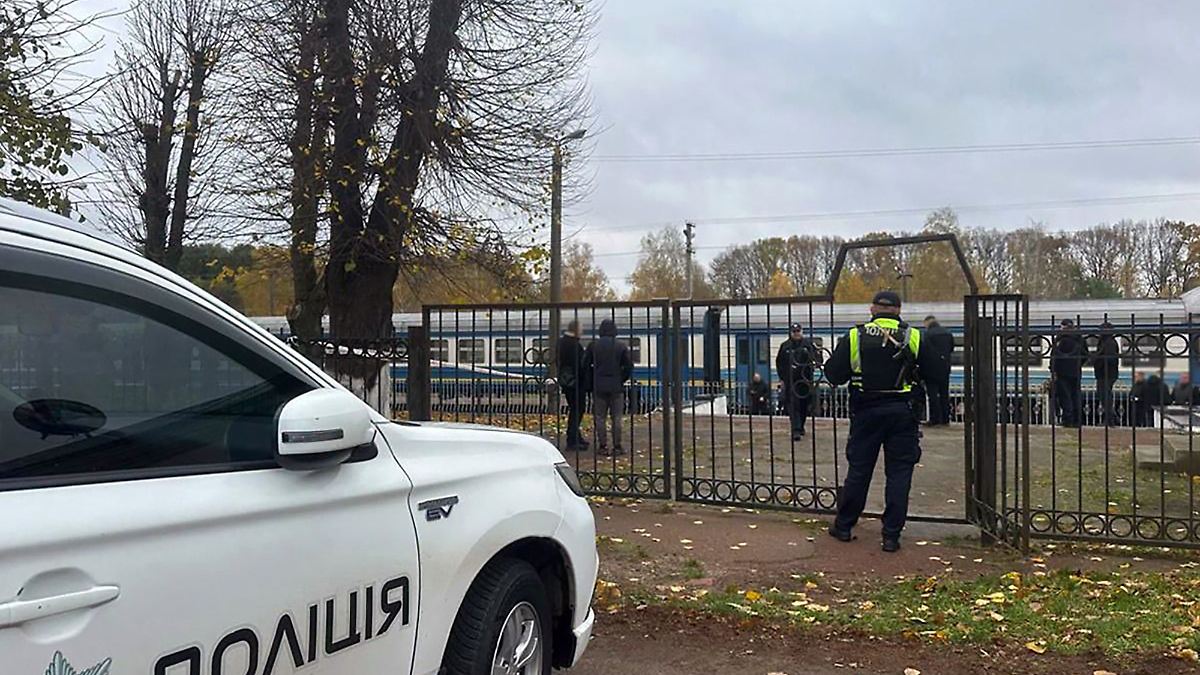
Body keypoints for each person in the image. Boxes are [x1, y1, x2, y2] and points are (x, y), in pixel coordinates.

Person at [823, 290, 942, 552]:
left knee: (859, 470)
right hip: (903, 412)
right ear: (899, 311)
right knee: (899, 473)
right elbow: (938, 371)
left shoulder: (855, 336)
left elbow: (833, 374)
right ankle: (891, 536)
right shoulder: (913, 336)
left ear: (872, 309)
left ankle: (844, 526)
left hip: (866, 411)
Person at [583, 318, 633, 455]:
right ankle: (617, 446)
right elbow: (628, 366)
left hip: (598, 386)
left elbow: (585, 365)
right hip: (616, 387)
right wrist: (621, 379)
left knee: (600, 417)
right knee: (616, 417)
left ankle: (602, 446)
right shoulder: (621, 346)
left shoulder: (594, 346)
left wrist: (592, 380)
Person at [776, 322, 816, 440]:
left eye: (798, 331)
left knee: (804, 405)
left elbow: (816, 359)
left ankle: (801, 426)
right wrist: (782, 378)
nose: (796, 334)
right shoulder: (785, 346)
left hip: (805, 380)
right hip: (791, 381)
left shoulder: (808, 345)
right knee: (793, 405)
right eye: (794, 332)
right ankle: (796, 430)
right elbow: (780, 363)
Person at [556, 319, 587, 450]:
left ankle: (576, 437)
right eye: (581, 328)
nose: (583, 331)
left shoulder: (561, 342)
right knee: (578, 409)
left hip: (566, 380)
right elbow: (579, 365)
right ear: (576, 329)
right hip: (576, 382)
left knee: (574, 409)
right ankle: (572, 440)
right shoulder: (575, 345)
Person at [1050, 319, 1084, 428]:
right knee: (1076, 395)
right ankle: (1077, 420)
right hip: (1076, 372)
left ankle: (1068, 419)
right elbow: (1086, 354)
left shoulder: (1061, 339)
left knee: (1065, 396)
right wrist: (1078, 364)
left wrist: (1053, 369)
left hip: (1062, 372)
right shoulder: (1079, 339)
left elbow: (1055, 356)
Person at [923, 315, 955, 426]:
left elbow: (924, 351)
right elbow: (951, 349)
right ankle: (945, 419)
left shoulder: (927, 334)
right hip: (945, 368)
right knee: (944, 394)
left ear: (927, 323)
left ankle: (934, 419)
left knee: (933, 395)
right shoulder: (947, 333)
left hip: (931, 369)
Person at [1091, 321, 1120, 426]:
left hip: (1106, 373)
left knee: (1105, 396)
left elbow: (1108, 358)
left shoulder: (1107, 343)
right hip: (1107, 373)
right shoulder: (1109, 342)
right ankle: (1111, 417)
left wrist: (1097, 363)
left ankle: (1110, 419)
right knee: (1104, 395)